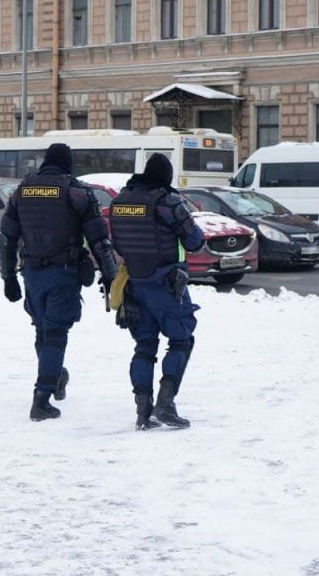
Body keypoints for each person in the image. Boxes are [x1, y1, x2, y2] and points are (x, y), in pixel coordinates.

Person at [0, 143, 117, 422]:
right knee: (55, 334)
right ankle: (42, 399)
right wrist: (110, 277)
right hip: (63, 274)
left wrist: (8, 278)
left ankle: (55, 376)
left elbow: (5, 239)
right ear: (68, 163)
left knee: (42, 332)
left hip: (32, 275)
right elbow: (100, 241)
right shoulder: (78, 193)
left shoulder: (22, 191)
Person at [110, 153, 205, 430]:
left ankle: (143, 412)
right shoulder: (168, 203)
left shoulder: (119, 202)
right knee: (182, 339)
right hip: (166, 284)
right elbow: (196, 242)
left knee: (144, 346)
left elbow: (116, 242)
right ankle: (165, 404)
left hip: (135, 285)